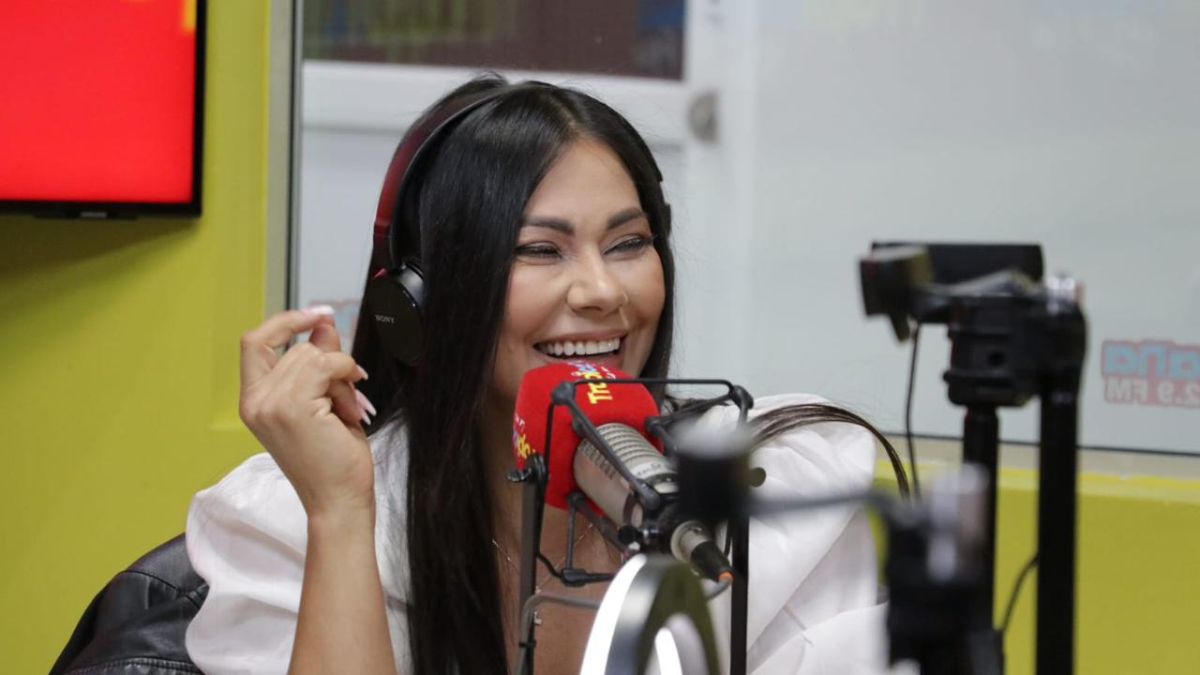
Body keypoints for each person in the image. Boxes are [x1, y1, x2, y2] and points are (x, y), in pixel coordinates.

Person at [184, 74, 902, 675]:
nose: (602, 291)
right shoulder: (291, 524)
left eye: (628, 243)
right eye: (539, 250)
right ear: (422, 300)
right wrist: (341, 514)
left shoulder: (776, 497)